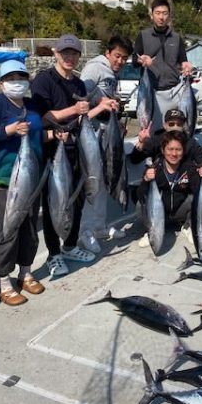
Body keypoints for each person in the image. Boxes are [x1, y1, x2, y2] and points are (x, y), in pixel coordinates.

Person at [31, 34, 115, 277]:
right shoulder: (43, 81)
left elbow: (80, 120)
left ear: (79, 56)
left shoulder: (78, 85)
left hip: (76, 150)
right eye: (65, 52)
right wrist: (73, 110)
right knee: (53, 204)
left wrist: (100, 107)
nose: (69, 57)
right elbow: (40, 118)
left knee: (76, 201)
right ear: (56, 53)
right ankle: (54, 255)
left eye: (74, 53)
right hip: (51, 152)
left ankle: (69, 247)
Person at [0, 60, 45, 306]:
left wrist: (55, 134)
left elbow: (39, 132)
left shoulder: (32, 105)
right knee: (6, 232)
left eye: (21, 77)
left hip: (31, 178)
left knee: (28, 228)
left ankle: (25, 273)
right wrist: (9, 131)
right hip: (1, 181)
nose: (17, 82)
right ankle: (4, 282)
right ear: (1, 82)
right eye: (11, 78)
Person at [133, 0, 202, 142]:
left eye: (165, 13)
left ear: (169, 15)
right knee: (153, 132)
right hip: (155, 92)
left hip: (178, 89)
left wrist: (187, 66)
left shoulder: (177, 38)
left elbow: (183, 61)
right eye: (158, 13)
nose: (161, 17)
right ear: (151, 14)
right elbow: (135, 61)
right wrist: (142, 60)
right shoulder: (143, 36)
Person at [78, 36, 133, 246]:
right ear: (108, 53)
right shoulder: (94, 68)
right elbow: (82, 98)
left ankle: (99, 227)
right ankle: (85, 232)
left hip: (106, 130)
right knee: (92, 181)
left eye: (124, 58)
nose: (120, 61)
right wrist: (100, 104)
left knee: (102, 180)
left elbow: (104, 97)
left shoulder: (112, 73)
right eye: (117, 56)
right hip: (92, 131)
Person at [137, 131, 202, 247]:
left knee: (197, 198)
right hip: (160, 214)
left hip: (180, 213)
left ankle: (188, 226)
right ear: (163, 150)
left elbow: (199, 193)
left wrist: (201, 175)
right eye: (170, 149)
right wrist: (146, 180)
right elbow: (140, 194)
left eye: (178, 149)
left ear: (183, 151)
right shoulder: (155, 169)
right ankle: (151, 230)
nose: (174, 153)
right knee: (139, 204)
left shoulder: (190, 168)